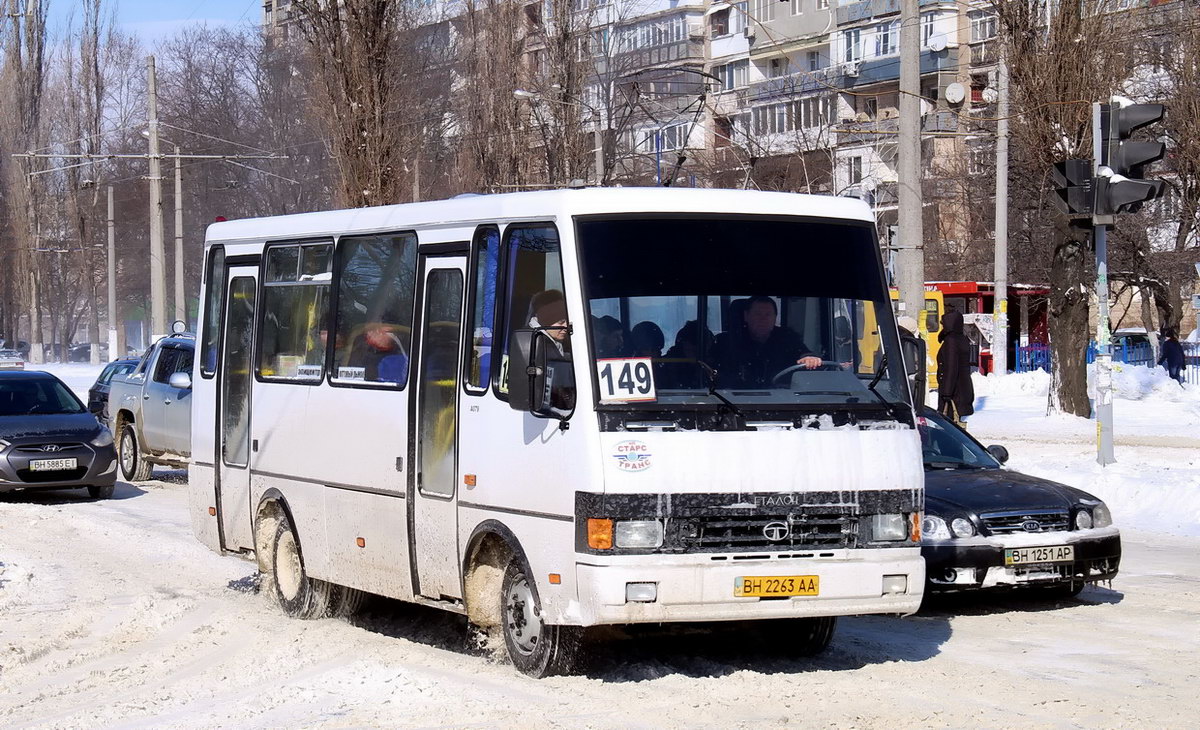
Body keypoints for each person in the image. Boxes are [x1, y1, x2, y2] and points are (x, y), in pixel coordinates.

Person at [712, 296, 821, 389]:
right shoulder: (725, 342)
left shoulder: (787, 338)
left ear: (775, 318)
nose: (763, 319)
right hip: (733, 403)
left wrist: (809, 358)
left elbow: (803, 353)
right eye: (758, 314)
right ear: (746, 316)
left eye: (768, 315)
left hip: (781, 401)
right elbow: (711, 374)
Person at [935, 308, 974, 425]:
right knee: (954, 423)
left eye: (944, 324)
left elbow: (951, 368)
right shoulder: (962, 339)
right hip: (962, 388)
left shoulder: (950, 341)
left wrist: (946, 392)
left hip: (953, 391)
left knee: (947, 424)